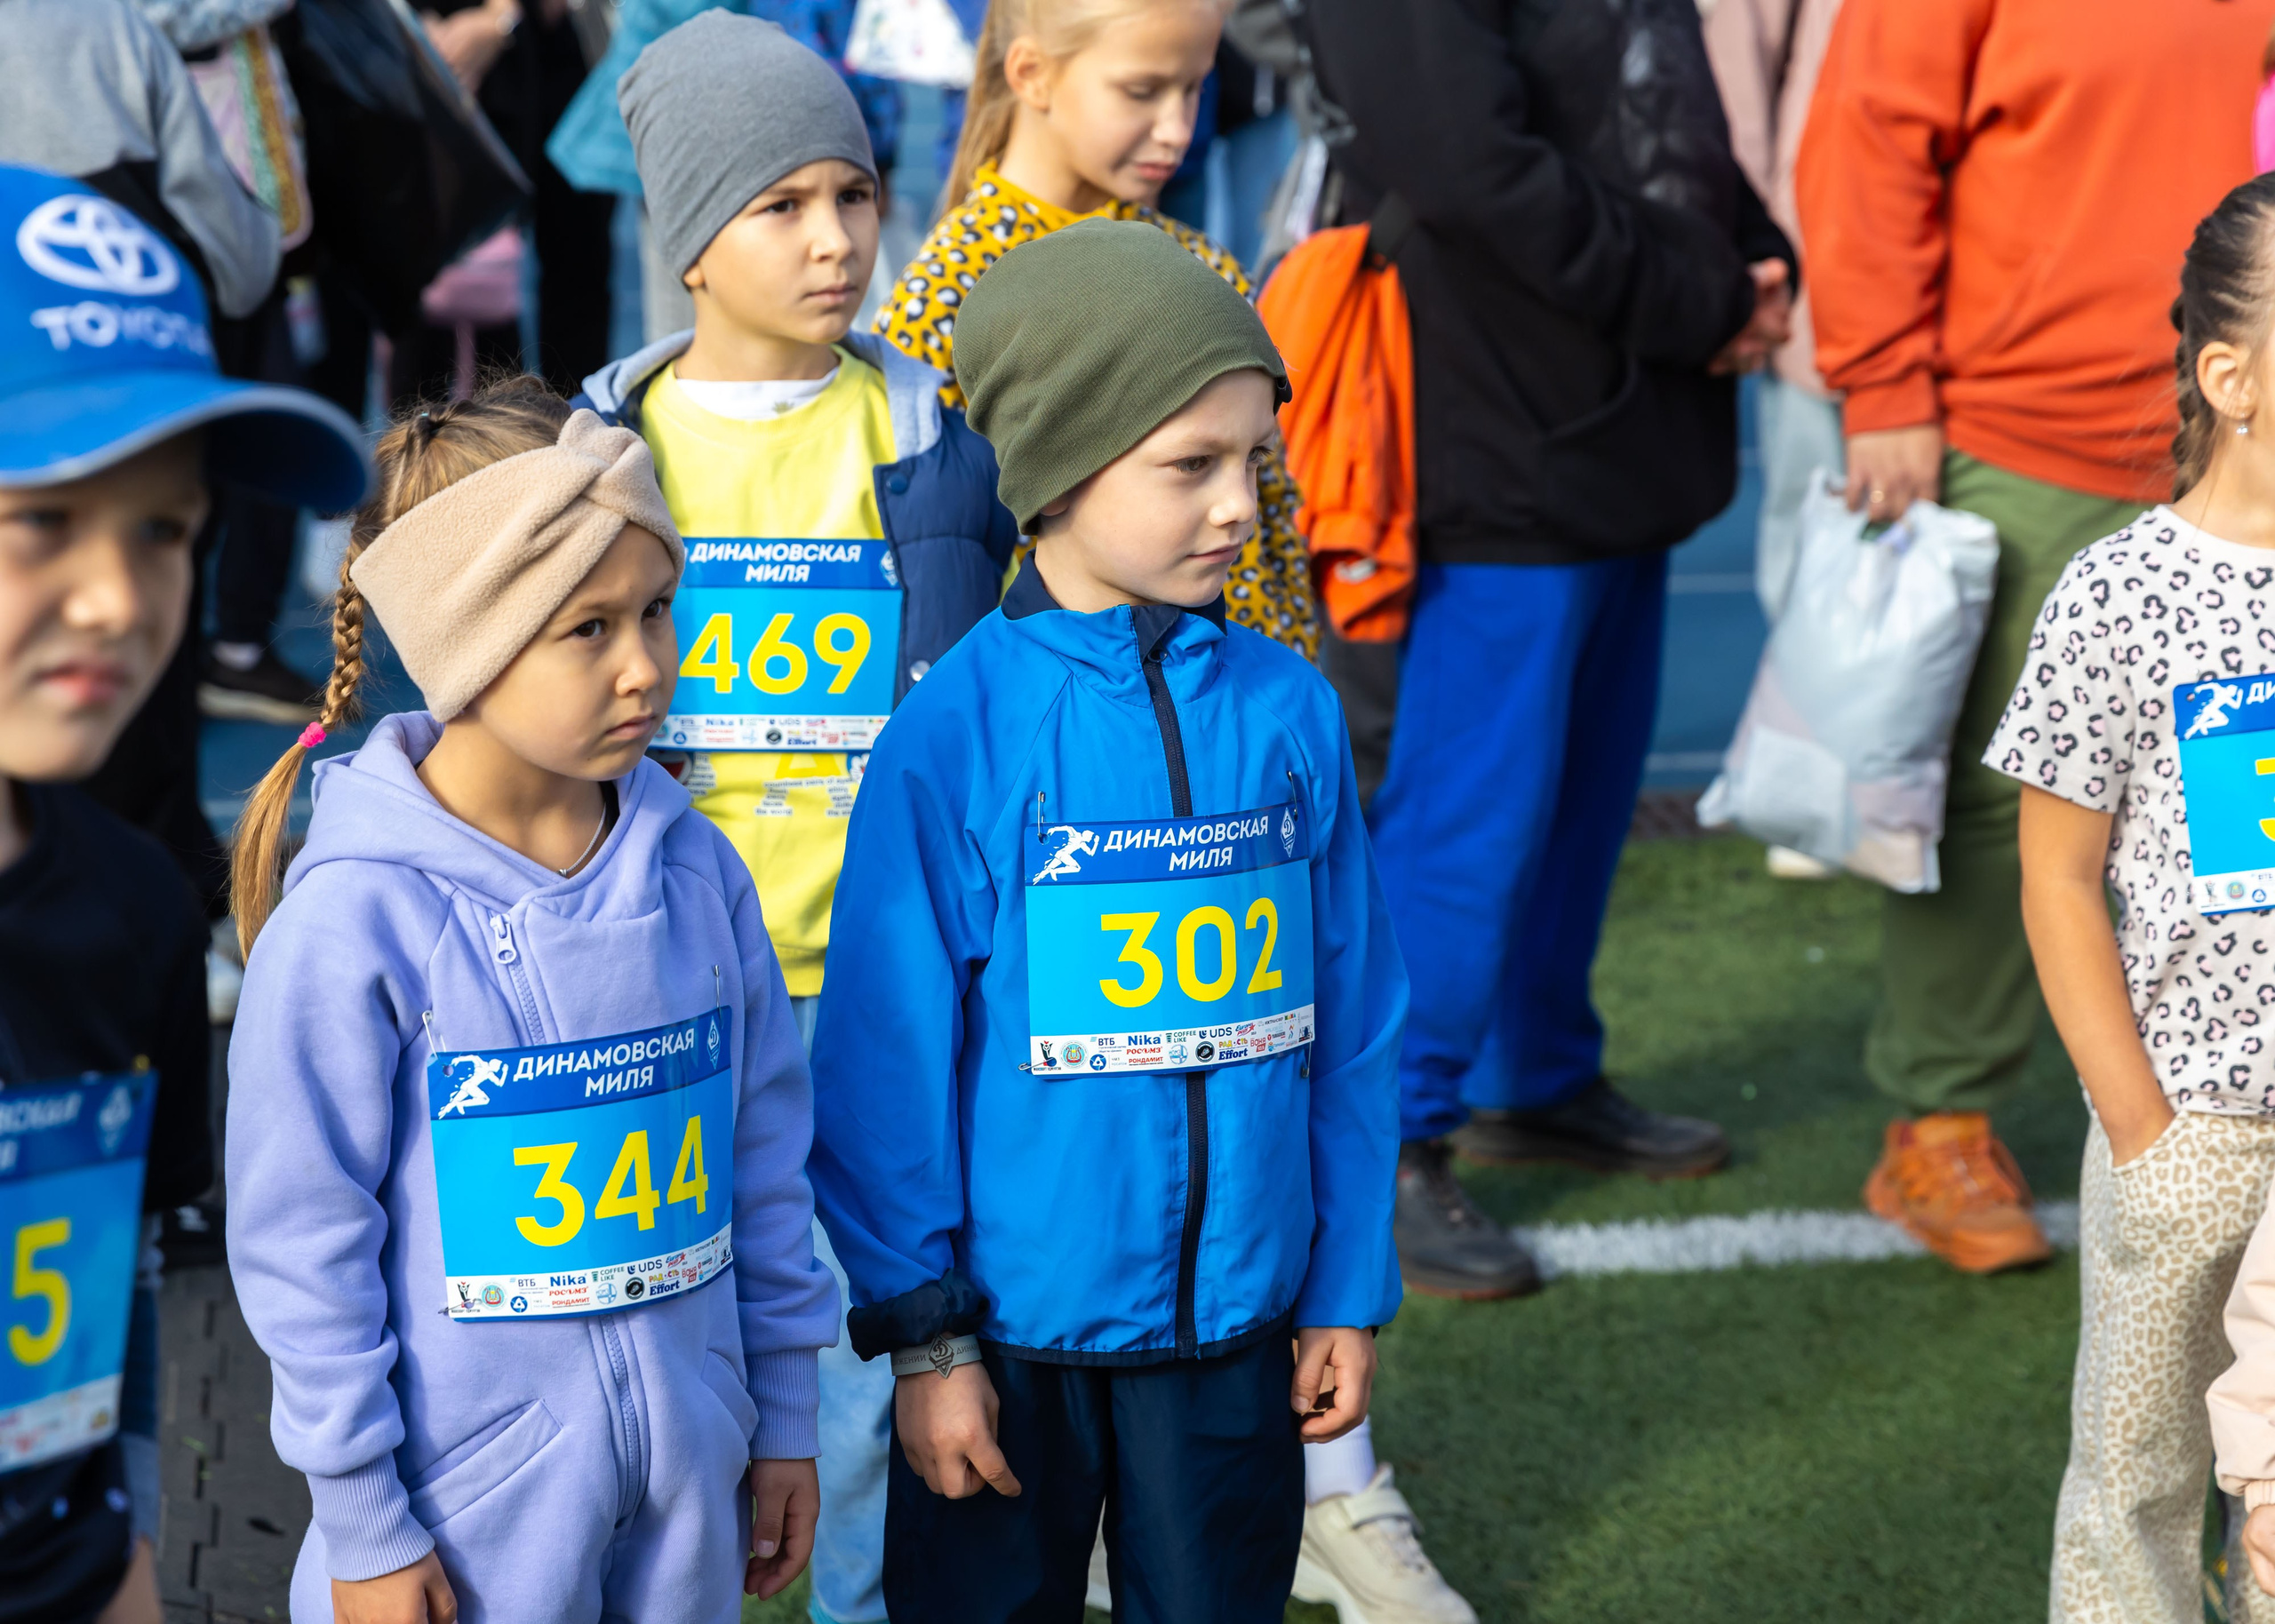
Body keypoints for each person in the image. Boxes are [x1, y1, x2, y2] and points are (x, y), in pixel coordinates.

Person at [808, 220, 1402, 1624]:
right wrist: (929, 1342)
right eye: (1188, 466)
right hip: (1010, 1346)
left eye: (1249, 461)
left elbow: (1354, 1017)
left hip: (1239, 1329)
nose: (1237, 506)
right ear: (1061, 470)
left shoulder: (1288, 709)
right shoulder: (954, 731)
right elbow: (885, 1063)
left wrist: (1345, 1282)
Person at [223, 381, 838, 1621]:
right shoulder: (354, 921)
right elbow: (304, 1248)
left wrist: (780, 1416)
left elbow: (763, 1168)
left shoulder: (698, 872)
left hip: (690, 1512)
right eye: (589, 629)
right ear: (468, 642)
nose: (648, 666)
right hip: (457, 1537)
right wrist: (364, 1525)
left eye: (658, 610)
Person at [570, 15, 1018, 1621]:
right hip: (674, 988)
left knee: (875, 1350)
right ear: (688, 239)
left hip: (891, 988)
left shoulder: (942, 455)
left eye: (854, 192)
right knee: (663, 1358)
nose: (836, 239)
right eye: (782, 204)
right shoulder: (594, 459)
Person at [1296, 0, 1791, 1298]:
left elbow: (1663, 110)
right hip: (1498, 429)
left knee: (1580, 797)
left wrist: (1754, 255)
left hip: (1625, 422)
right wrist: (1706, 293)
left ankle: (1537, 1076)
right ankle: (1388, 1141)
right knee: (1472, 810)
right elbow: (1471, 168)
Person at [1797, 0, 2275, 1276]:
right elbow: (1866, 140)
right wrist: (1885, 385)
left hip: (2254, 428)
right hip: (2029, 425)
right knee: (2011, 796)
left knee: (2245, 783)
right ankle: (1939, 1119)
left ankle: (2232, 1100)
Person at [0, 162, 365, 1624]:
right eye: (42, 518)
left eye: (165, 528)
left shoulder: (142, 910)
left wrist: (125, 1556)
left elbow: (108, 1304)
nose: (118, 598)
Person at [1994, 172, 2275, 1624]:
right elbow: (2055, 871)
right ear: (2229, 376)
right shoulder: (2121, 590)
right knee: (2141, 1476)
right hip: (2190, 1119)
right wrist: (2139, 1121)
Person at [875, 0, 1319, 660]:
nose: (1176, 128)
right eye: (1142, 91)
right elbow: (933, 556)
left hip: (1252, 708)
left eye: (1194, 87)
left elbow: (1273, 514)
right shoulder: (950, 291)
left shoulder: (1207, 266)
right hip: (1077, 723)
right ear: (1032, 74)